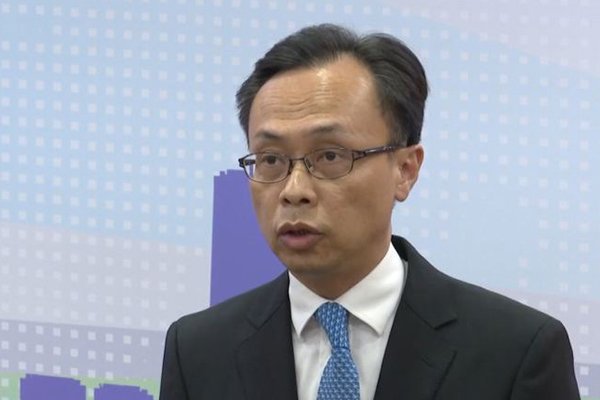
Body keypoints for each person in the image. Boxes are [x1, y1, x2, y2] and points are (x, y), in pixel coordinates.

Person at [159, 23, 580, 399]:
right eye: (270, 159)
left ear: (405, 170)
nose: (294, 191)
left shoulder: (516, 352)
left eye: (329, 156)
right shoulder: (197, 351)